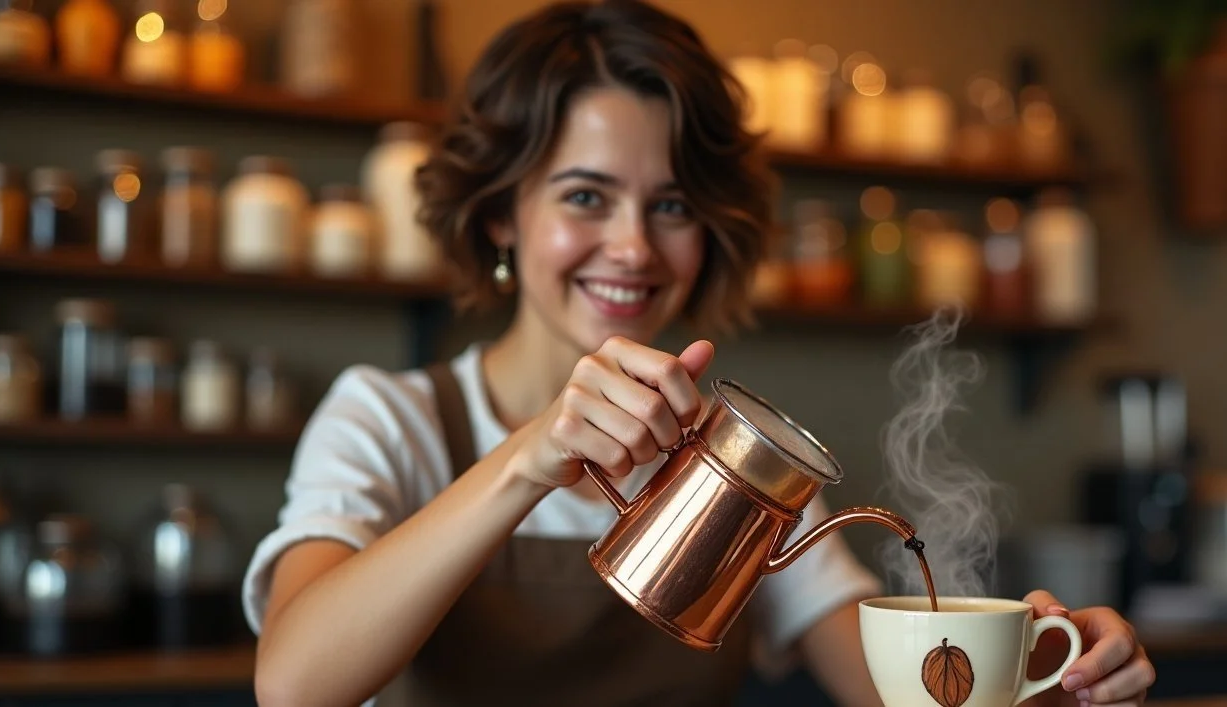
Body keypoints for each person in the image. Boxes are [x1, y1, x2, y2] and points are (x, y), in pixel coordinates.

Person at [243, 2, 1156, 706]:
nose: (635, 247)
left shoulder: (742, 461)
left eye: (672, 206)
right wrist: (525, 461)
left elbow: (890, 692)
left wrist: (1042, 675)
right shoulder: (388, 419)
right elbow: (293, 684)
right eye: (586, 197)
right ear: (499, 215)